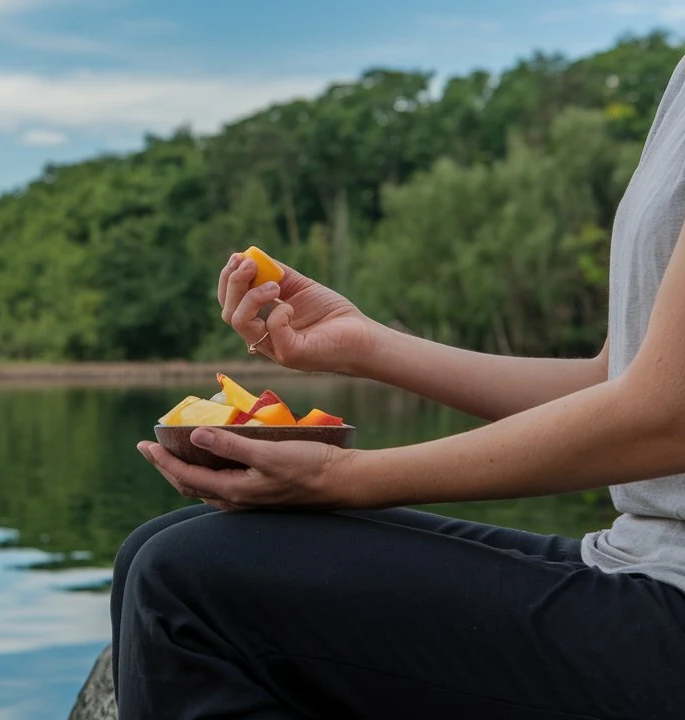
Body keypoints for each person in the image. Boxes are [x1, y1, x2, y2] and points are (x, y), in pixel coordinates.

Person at [114, 62, 685, 719]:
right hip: (638, 561)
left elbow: (663, 418)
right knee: (152, 551)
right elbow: (619, 381)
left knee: (186, 581)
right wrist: (366, 345)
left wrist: (344, 476)